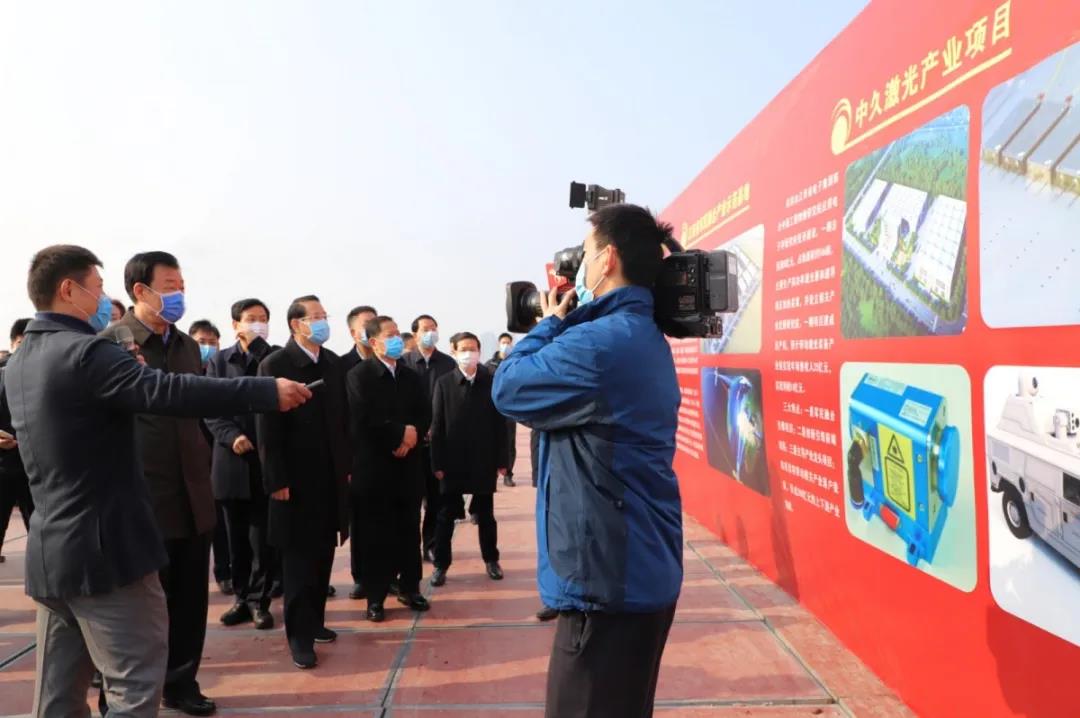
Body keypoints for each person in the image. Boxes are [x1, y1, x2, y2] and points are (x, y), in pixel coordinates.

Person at [5, 244, 309, 718]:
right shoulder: (88, 351)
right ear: (68, 289)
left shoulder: (24, 357)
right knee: (134, 687)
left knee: (58, 696)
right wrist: (265, 390)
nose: (102, 299)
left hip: (53, 552)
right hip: (108, 553)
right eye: (97, 288)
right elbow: (167, 391)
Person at [492, 204, 683, 718]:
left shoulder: (601, 342)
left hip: (607, 583)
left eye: (586, 254)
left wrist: (550, 322)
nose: (580, 267)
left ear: (608, 259)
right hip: (635, 568)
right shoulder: (637, 333)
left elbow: (508, 388)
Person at [112, 252, 226, 716]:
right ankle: (128, 694)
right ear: (141, 290)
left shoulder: (187, 347)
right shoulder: (111, 345)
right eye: (170, 286)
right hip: (142, 498)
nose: (179, 295)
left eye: (182, 286)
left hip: (193, 493)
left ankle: (181, 683)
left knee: (190, 601)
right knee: (140, 612)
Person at [256, 296, 350, 670]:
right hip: (294, 479)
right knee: (298, 560)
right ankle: (299, 636)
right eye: (316, 317)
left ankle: (316, 622)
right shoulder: (275, 365)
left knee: (323, 553)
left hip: (330, 476)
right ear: (296, 324)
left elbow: (343, 421)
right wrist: (276, 479)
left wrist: (346, 467)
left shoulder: (333, 363)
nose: (323, 322)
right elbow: (267, 428)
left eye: (325, 316)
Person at [347, 315, 431, 622]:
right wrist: (398, 435)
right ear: (373, 342)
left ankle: (410, 588)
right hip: (374, 468)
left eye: (398, 333)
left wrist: (412, 435)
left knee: (409, 531)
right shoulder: (359, 375)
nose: (397, 339)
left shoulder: (410, 375)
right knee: (376, 535)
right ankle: (376, 597)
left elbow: (424, 412)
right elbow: (362, 418)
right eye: (390, 334)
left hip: (408, 466)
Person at [205, 299, 279, 631]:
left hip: (266, 461)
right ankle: (240, 598)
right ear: (236, 325)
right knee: (235, 540)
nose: (257, 324)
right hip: (231, 461)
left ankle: (259, 602)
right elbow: (209, 407)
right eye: (251, 319)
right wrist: (231, 435)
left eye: (263, 319)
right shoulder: (219, 361)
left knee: (262, 541)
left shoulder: (275, 358)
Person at [429, 332, 508, 587]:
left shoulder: (491, 381)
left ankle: (491, 560)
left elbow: (500, 425)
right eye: (463, 348)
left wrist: (503, 460)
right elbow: (437, 426)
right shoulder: (444, 383)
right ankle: (441, 565)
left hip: (483, 458)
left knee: (486, 515)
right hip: (452, 461)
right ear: (453, 351)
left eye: (473, 348)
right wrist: (437, 463)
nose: (469, 353)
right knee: (445, 516)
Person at [401, 314, 456, 564]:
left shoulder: (448, 363)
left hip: (438, 443)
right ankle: (409, 547)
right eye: (425, 329)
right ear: (415, 334)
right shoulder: (403, 363)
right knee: (411, 498)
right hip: (411, 442)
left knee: (436, 499)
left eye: (434, 328)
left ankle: (431, 545)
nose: (430, 333)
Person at [189, 319, 232, 598]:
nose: (207, 347)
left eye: (212, 342)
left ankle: (225, 572)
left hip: (219, 455)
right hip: (193, 459)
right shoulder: (183, 374)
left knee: (223, 522)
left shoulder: (222, 372)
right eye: (201, 342)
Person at [340, 304, 377, 601]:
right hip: (356, 456)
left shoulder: (390, 364)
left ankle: (388, 575)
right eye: (366, 324)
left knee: (388, 521)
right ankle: (362, 577)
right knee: (361, 522)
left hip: (388, 454)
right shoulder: (340, 366)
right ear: (353, 332)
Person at [0, 318, 33, 563]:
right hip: (4, 466)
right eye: (22, 343)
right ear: (13, 343)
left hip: (38, 469)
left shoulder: (48, 376)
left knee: (42, 533)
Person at [485, 333, 518, 488]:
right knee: (491, 442)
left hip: (509, 410)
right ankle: (492, 473)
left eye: (508, 342)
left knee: (509, 443)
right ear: (499, 344)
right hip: (491, 409)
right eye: (503, 342)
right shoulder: (489, 365)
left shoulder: (516, 361)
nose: (506, 345)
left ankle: (508, 474)